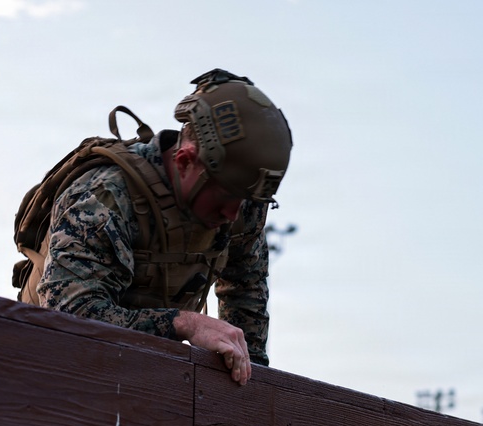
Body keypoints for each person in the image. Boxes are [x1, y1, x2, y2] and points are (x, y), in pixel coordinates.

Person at [21, 68, 292, 385]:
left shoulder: (243, 198)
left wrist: (250, 385)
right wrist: (185, 323)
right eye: (226, 197)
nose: (233, 215)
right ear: (185, 161)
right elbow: (70, 318)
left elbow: (246, 298)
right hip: (48, 371)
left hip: (146, 377)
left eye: (247, 201)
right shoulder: (105, 198)